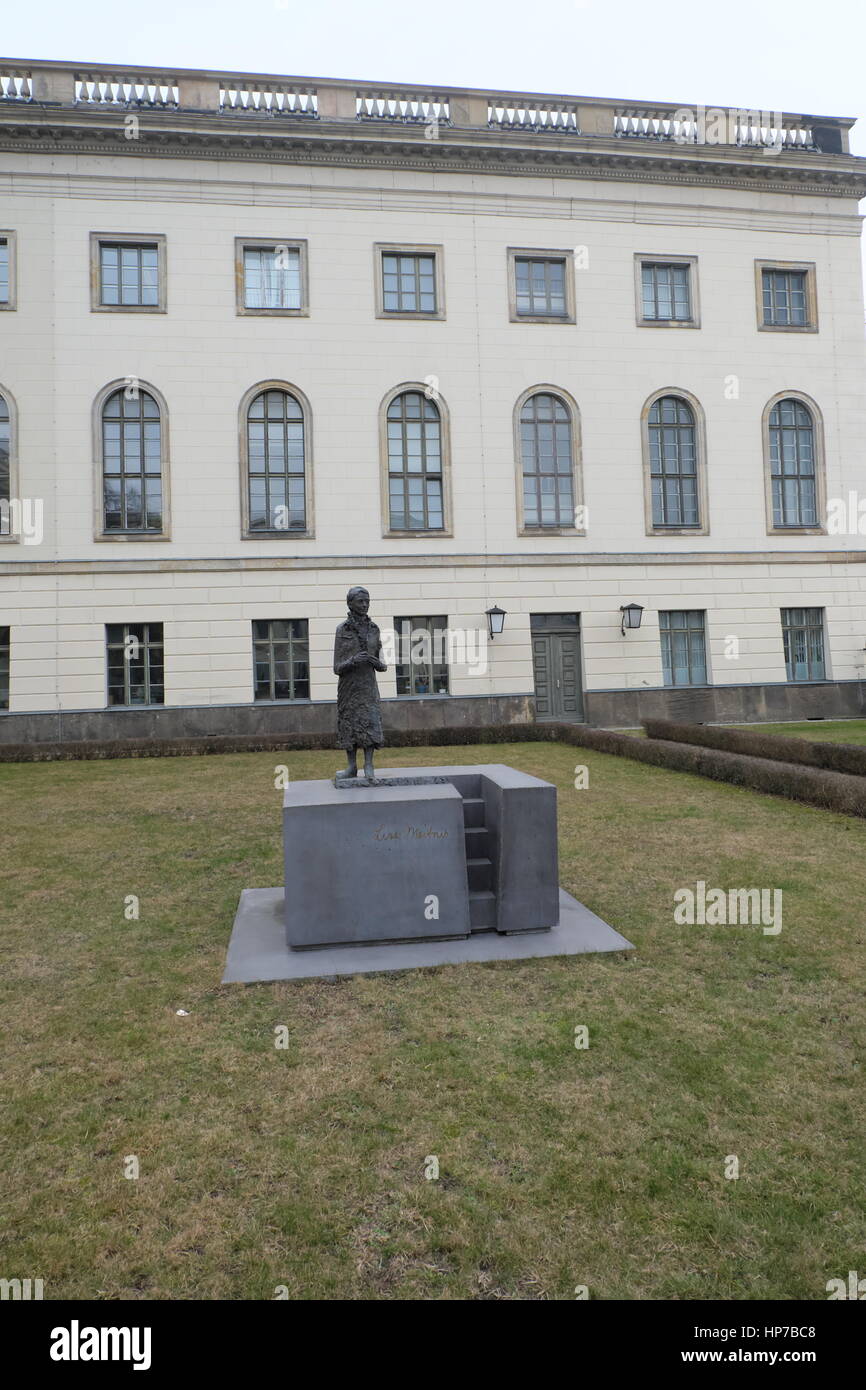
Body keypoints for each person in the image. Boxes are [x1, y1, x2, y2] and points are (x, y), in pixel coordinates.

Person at [333, 586, 387, 779]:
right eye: (360, 601)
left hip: (368, 687)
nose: (365, 605)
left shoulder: (374, 629)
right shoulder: (342, 629)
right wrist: (353, 661)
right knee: (349, 724)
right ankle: (351, 767)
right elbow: (337, 667)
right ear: (350, 604)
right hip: (349, 687)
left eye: (367, 601)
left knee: (370, 724)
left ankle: (369, 766)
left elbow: (383, 665)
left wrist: (376, 662)